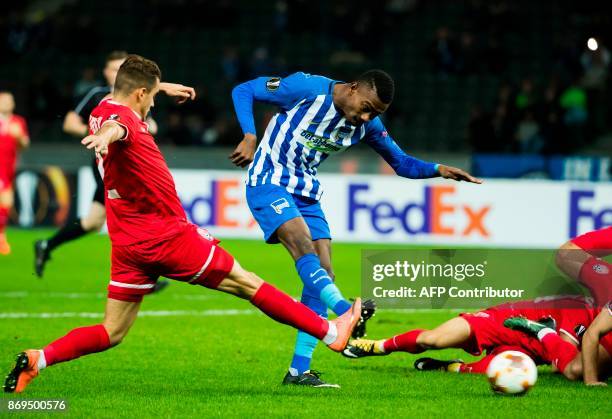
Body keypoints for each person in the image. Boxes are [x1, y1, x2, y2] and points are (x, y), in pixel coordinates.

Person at [3, 55, 362, 394]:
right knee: (249, 284)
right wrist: (108, 135)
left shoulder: (101, 108)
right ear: (140, 93)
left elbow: (124, 103)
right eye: (151, 97)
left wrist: (161, 87)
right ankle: (332, 332)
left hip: (127, 242)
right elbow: (120, 126)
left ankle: (39, 359)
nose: (153, 105)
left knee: (111, 331)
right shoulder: (120, 121)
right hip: (165, 235)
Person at [230, 70, 482, 387]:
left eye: (374, 113)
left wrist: (439, 170)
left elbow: (401, 163)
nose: (366, 116)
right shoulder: (306, 88)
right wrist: (250, 135)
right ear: (352, 89)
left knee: (324, 273)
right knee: (302, 245)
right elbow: (244, 90)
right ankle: (344, 310)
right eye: (365, 107)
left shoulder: (368, 125)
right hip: (268, 181)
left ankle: (298, 371)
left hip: (306, 191)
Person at [34, 51, 160, 289]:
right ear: (105, 72)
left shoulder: (136, 96)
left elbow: (150, 125)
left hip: (128, 164)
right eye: (113, 69)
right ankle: (139, 276)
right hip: (107, 163)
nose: (117, 73)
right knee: (132, 215)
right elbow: (69, 123)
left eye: (121, 68)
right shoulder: (97, 95)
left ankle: (46, 245)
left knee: (93, 222)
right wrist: (99, 136)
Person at [342, 296, 595, 375]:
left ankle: (451, 367)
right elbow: (566, 361)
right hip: (504, 321)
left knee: (491, 371)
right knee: (432, 339)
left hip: (529, 350)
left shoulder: (601, 328)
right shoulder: (582, 309)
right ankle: (376, 346)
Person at [0, 91, 29, 255]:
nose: (7, 103)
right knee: (5, 200)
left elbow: (25, 144)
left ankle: (1, 236)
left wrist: (19, 137)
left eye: (10, 101)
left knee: (6, 204)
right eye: (4, 101)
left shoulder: (18, 121)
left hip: (9, 168)